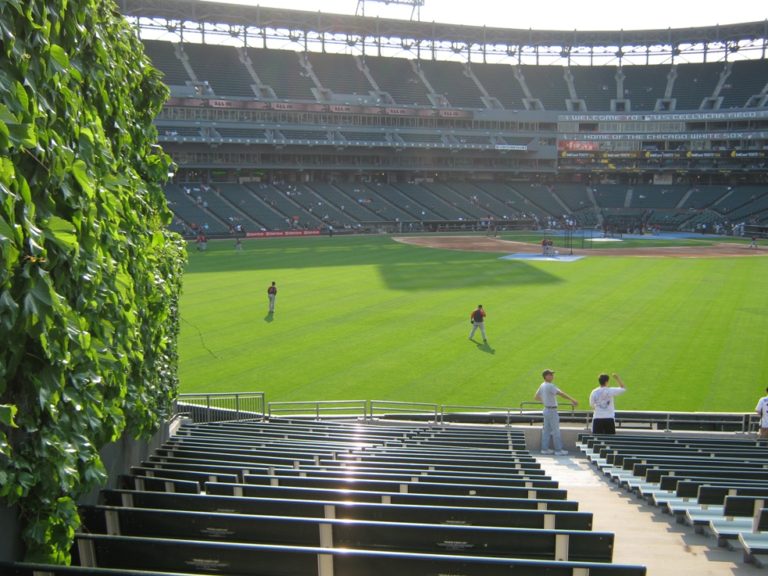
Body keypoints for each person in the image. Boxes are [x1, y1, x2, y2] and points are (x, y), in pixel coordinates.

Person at [535, 369, 578, 455]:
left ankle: (544, 449)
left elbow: (536, 397)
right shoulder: (550, 386)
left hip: (546, 409)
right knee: (556, 431)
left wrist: (545, 401)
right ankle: (558, 450)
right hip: (552, 410)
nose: (552, 376)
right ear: (546, 376)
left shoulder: (542, 385)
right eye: (550, 375)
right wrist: (572, 399)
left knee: (546, 431)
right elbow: (561, 393)